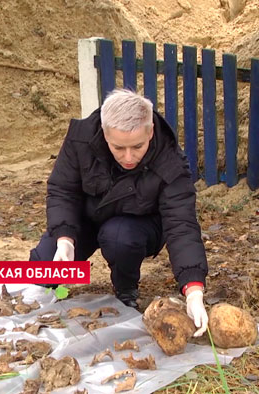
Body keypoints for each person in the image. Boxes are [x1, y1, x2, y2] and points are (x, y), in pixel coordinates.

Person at [29, 88, 209, 337]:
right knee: (42, 267)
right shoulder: (81, 139)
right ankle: (45, 287)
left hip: (138, 224)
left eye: (137, 146)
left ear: (151, 132)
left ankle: (126, 290)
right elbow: (63, 189)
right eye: (118, 147)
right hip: (89, 217)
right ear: (104, 134)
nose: (128, 157)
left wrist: (193, 289)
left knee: (119, 237)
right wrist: (64, 238)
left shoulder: (170, 162)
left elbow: (182, 224)